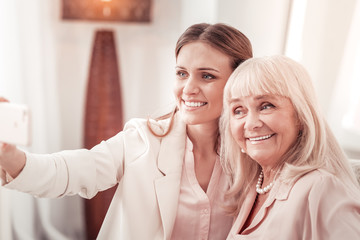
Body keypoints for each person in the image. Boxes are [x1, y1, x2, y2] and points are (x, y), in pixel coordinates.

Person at [0, 23, 253, 239]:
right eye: (181, 73)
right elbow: (70, 172)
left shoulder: (254, 151)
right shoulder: (143, 139)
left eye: (207, 76)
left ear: (238, 81)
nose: (188, 88)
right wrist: (12, 158)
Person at [219, 55, 360, 239]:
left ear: (301, 116)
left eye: (266, 106)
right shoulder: (253, 187)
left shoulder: (321, 187)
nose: (250, 123)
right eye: (238, 110)